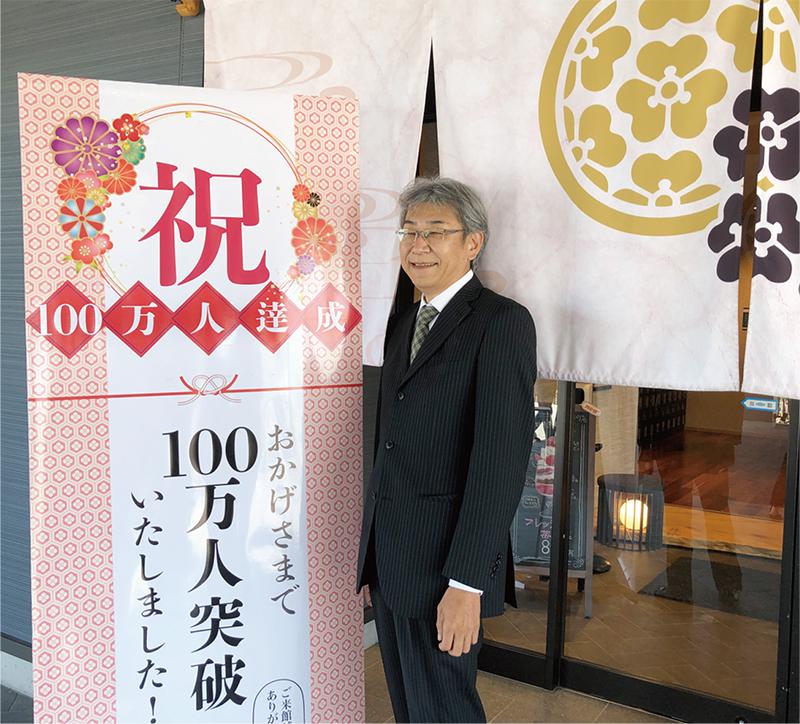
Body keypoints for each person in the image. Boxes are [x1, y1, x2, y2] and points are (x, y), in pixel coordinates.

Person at [356, 177, 537, 722]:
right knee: (410, 708)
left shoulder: (501, 322)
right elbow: (388, 445)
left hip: (445, 570)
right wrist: (371, 556)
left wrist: (467, 584)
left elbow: (499, 465)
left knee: (445, 711)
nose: (419, 246)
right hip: (392, 563)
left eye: (436, 232)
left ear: (473, 243)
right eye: (409, 232)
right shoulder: (401, 325)